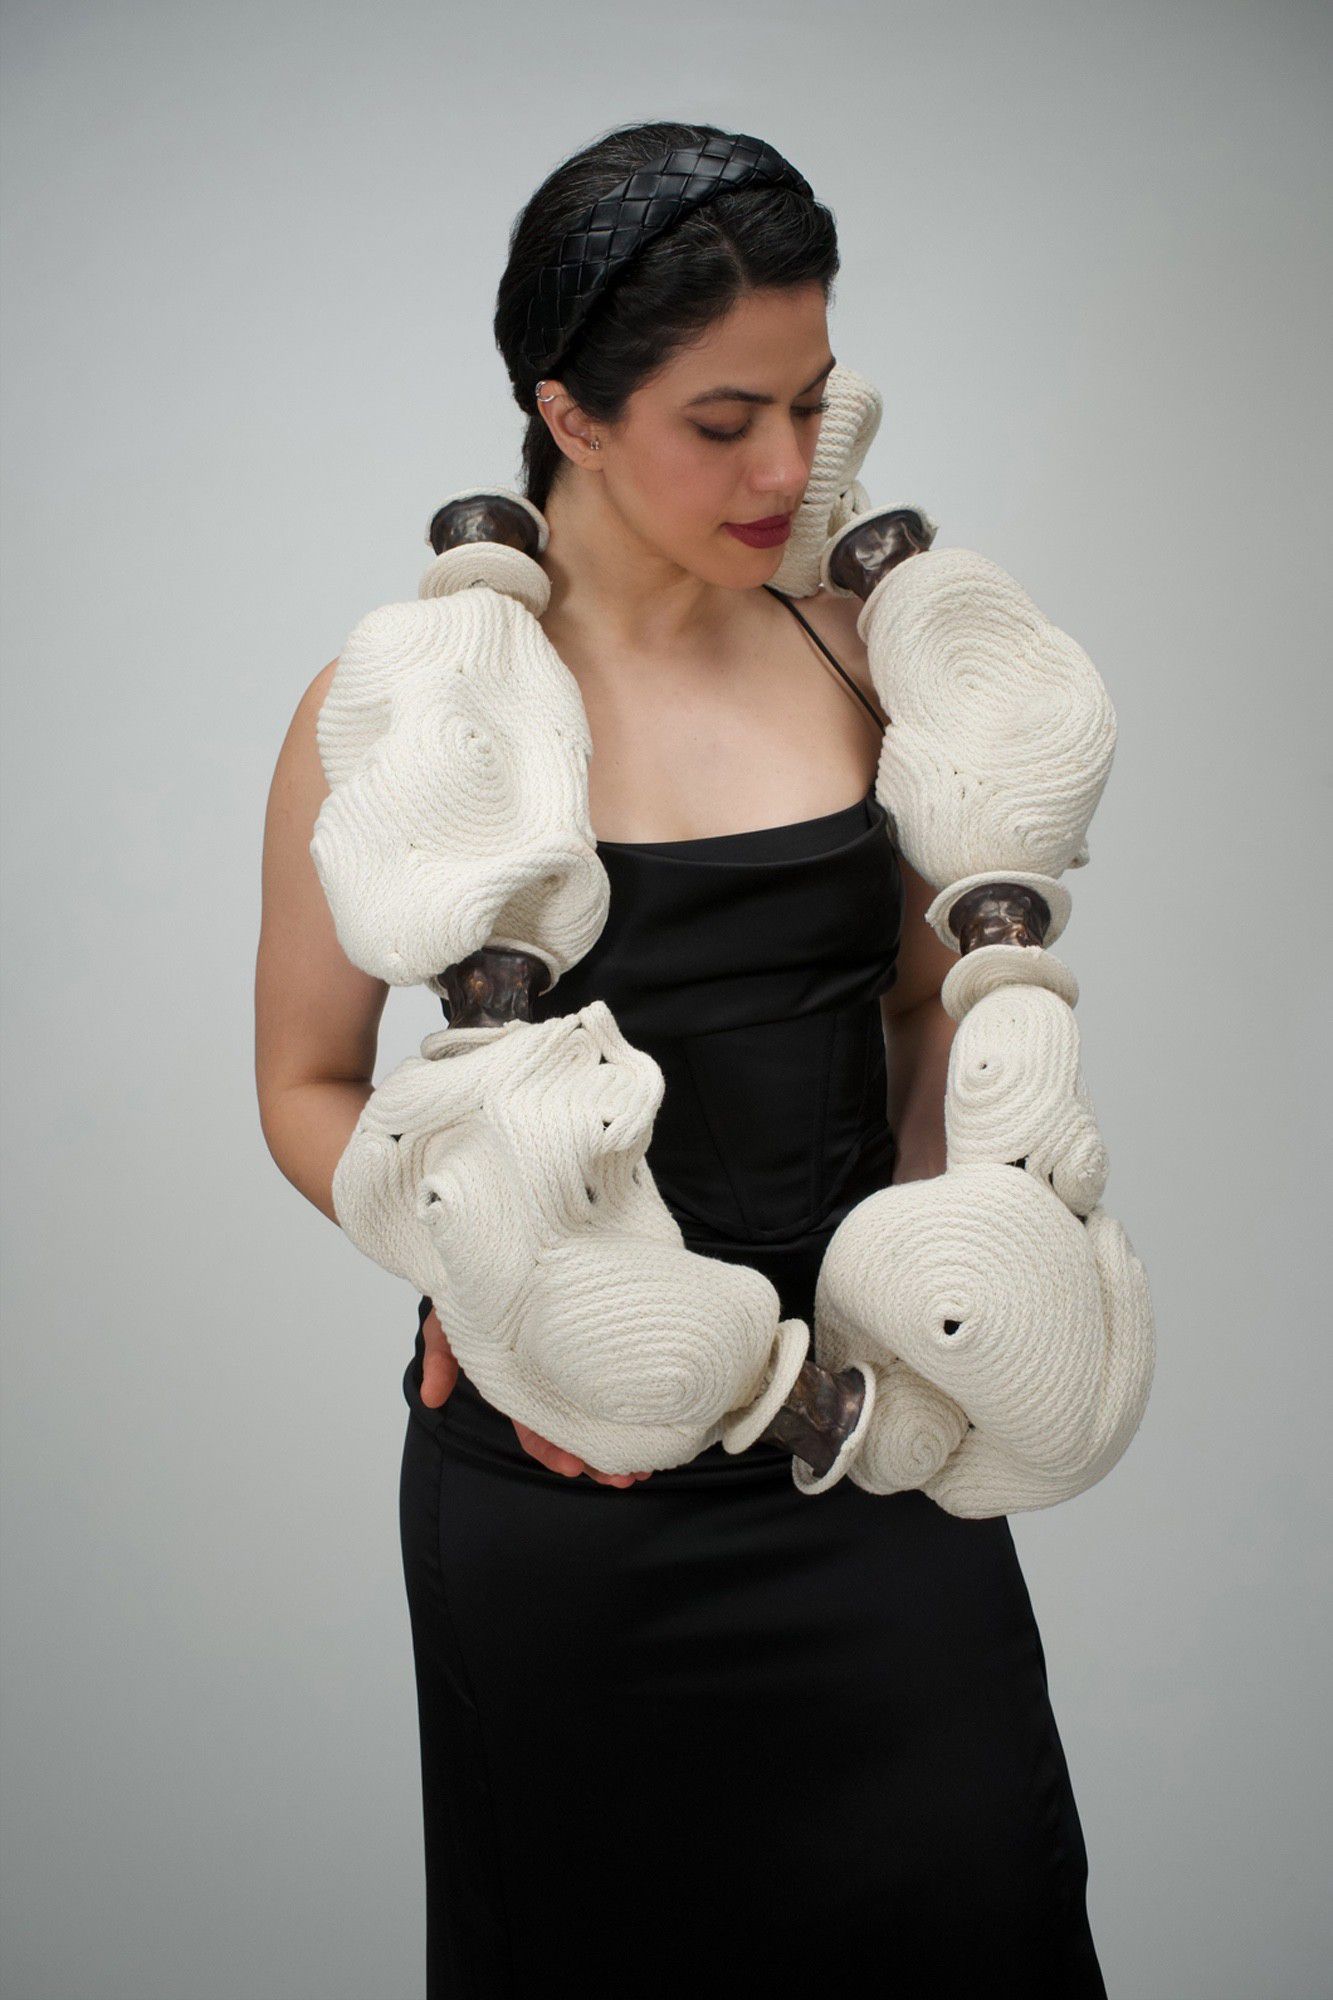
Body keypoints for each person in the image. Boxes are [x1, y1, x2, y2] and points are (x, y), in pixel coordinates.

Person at [256, 120, 1109, 1997]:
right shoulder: (400, 709)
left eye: (807, 402)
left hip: (876, 1447)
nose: (786, 469)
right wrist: (481, 1274)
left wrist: (953, 1254)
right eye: (724, 421)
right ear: (565, 412)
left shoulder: (858, 656)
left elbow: (919, 1007)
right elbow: (305, 1082)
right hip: (567, 1486)